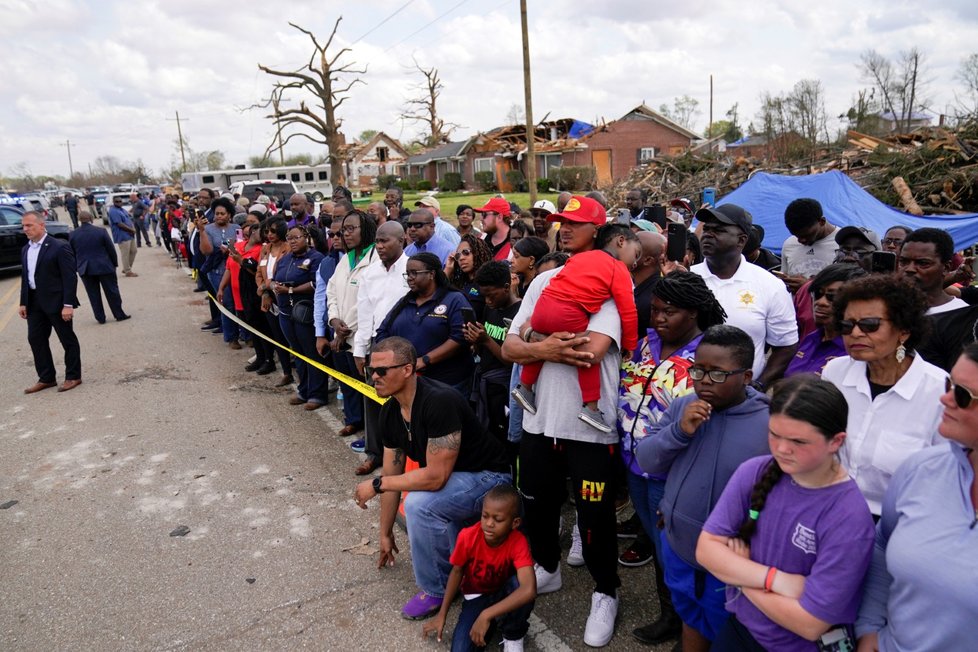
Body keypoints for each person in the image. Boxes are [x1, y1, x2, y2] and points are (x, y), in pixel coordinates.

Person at [500, 195, 624, 648]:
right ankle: (548, 569)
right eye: (559, 223)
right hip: (539, 421)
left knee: (594, 518)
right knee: (538, 506)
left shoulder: (610, 278)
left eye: (573, 223)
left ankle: (606, 590)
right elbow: (511, 347)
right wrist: (542, 345)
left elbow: (589, 350)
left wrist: (537, 339)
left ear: (598, 228)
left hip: (589, 428)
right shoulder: (545, 280)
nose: (563, 230)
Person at [697, 375, 875, 651]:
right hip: (741, 630)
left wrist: (741, 577)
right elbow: (706, 549)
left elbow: (810, 624)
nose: (781, 448)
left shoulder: (848, 517)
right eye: (774, 434)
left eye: (798, 441)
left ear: (836, 441)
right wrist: (776, 580)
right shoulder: (755, 471)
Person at [352, 337, 511, 621]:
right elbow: (393, 475)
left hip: (490, 479)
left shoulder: (440, 401)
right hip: (458, 481)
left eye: (382, 370)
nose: (374, 377)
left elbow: (435, 478)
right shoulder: (390, 412)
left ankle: (435, 589)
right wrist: (385, 534)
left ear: (408, 370)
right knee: (418, 500)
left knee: (419, 505)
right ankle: (455, 568)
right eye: (371, 371)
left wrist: (376, 485)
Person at [635, 325, 771, 651]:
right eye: (698, 370)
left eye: (718, 374)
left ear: (747, 376)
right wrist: (679, 432)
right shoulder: (683, 407)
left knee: (725, 628)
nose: (705, 381)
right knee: (689, 615)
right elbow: (648, 460)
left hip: (730, 561)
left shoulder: (769, 422)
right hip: (680, 545)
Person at [618, 272, 727, 647]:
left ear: (694, 313)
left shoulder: (709, 355)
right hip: (634, 464)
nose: (659, 318)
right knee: (657, 543)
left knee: (678, 552)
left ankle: (691, 626)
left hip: (676, 471)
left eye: (670, 312)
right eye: (657, 310)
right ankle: (670, 615)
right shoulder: (644, 345)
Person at [855, 344, 978, 652]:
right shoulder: (922, 468)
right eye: (949, 384)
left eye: (962, 395)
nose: (944, 398)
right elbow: (883, 543)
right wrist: (869, 628)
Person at [821, 274, 945, 517]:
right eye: (846, 326)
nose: (855, 333)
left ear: (904, 330)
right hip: (829, 510)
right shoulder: (835, 373)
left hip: (899, 522)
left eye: (870, 325)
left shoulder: (940, 391)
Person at [512, 221, 641, 432]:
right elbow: (628, 311)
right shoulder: (619, 269)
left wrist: (530, 329)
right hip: (568, 312)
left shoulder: (579, 259)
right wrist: (630, 343)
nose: (635, 263)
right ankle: (591, 407)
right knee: (584, 353)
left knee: (547, 344)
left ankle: (525, 387)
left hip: (543, 308)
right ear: (621, 241)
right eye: (635, 255)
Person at [691, 204, 798, 390]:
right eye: (706, 229)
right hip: (683, 393)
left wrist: (759, 385)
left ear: (741, 240)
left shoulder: (769, 285)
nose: (708, 234)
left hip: (741, 399)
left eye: (718, 230)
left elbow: (786, 346)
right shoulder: (687, 279)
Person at [421, 484, 536, 652]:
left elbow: (529, 590)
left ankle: (513, 634)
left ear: (515, 523)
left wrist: (486, 615)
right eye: (485, 516)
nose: (489, 523)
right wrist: (442, 614)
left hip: (505, 590)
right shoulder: (467, 537)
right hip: (477, 597)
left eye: (498, 519)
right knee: (460, 649)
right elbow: (457, 571)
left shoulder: (518, 541)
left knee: (519, 584)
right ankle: (495, 620)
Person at [353, 221, 410, 475]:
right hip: (378, 345)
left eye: (385, 240)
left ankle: (410, 457)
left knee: (408, 403)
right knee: (375, 402)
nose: (380, 246)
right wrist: (360, 349)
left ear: (402, 240)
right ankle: (375, 453)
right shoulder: (370, 273)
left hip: (408, 345)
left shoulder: (412, 269)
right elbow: (365, 314)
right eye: (377, 241)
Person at [375, 253, 474, 394]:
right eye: (407, 274)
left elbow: (460, 338)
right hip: (409, 382)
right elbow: (382, 332)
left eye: (414, 273)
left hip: (446, 384)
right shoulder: (405, 302)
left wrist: (425, 360)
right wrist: (398, 359)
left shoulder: (454, 299)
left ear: (431, 274)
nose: (409, 278)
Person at [325, 210, 378, 439]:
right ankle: (354, 420)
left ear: (365, 229)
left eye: (350, 229)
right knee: (348, 383)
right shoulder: (345, 259)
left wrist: (343, 331)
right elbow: (332, 292)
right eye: (343, 230)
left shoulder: (375, 259)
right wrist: (334, 320)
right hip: (341, 332)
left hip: (360, 337)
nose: (345, 234)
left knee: (367, 386)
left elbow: (366, 303)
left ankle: (371, 432)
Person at [19, 212, 82, 394]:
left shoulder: (59, 247)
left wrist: (68, 304)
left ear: (41, 225)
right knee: (36, 339)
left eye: (29, 225)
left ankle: (73, 376)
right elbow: (26, 278)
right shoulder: (26, 249)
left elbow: (70, 277)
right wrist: (23, 302)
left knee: (67, 339)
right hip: (34, 302)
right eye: (23, 226)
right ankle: (46, 378)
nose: (25, 229)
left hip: (57, 302)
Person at [465, 261, 522, 451]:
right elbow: (483, 349)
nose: (488, 301)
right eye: (484, 296)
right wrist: (475, 340)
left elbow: (512, 361)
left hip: (505, 387)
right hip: (487, 383)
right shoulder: (491, 308)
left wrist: (486, 340)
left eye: (491, 295)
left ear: (506, 287)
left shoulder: (520, 314)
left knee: (505, 437)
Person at [272, 225, 328, 410]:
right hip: (286, 312)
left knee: (312, 354)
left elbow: (316, 284)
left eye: (296, 237)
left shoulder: (316, 258)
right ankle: (303, 390)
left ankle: (317, 394)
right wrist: (273, 286)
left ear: (307, 238)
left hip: (306, 313)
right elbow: (275, 277)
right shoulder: (285, 259)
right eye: (290, 238)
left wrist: (290, 289)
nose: (293, 241)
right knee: (298, 354)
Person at [784, 263, 866, 377]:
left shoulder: (856, 352)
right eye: (818, 294)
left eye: (832, 297)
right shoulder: (811, 339)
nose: (821, 302)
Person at [68, 210, 130, 324]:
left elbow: (71, 253)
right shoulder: (101, 231)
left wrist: (77, 266)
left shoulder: (73, 234)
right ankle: (119, 314)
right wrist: (114, 263)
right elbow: (110, 249)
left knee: (93, 294)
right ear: (91, 219)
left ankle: (100, 317)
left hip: (85, 268)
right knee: (112, 291)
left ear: (79, 220)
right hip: (104, 266)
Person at [255, 217, 295, 387]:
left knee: (292, 338)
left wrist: (267, 285)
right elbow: (259, 273)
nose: (269, 234)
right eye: (267, 231)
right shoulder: (265, 249)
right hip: (269, 300)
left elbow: (283, 276)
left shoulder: (288, 249)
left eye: (273, 231)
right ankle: (287, 372)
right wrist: (264, 291)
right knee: (277, 337)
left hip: (286, 299)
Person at [200, 197, 243, 349]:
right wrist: (201, 231)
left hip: (236, 271)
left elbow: (241, 247)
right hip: (218, 272)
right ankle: (231, 337)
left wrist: (231, 249)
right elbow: (207, 251)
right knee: (227, 304)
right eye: (216, 213)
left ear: (229, 215)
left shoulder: (237, 227)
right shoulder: (208, 229)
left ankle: (246, 334)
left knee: (240, 303)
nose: (219, 216)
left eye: (222, 213)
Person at [898, 227, 968, 315]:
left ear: (946, 268)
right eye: (903, 261)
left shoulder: (963, 316)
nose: (909, 269)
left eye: (922, 263)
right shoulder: (884, 309)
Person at [778, 198, 839, 288]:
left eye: (806, 235)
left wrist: (809, 286)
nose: (801, 241)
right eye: (796, 236)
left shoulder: (844, 243)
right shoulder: (789, 244)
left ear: (822, 221)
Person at [445, 234, 494, 321]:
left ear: (478, 252)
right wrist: (448, 269)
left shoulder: (488, 283)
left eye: (466, 252)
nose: (461, 258)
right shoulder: (458, 283)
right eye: (458, 256)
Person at [631, 231, 666, 341]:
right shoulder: (629, 284)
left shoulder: (655, 297)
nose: (623, 249)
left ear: (647, 260)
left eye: (632, 246)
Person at [108, 194, 138, 277]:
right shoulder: (113, 211)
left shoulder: (122, 209)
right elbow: (119, 224)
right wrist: (131, 230)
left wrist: (132, 228)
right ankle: (128, 271)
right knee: (125, 253)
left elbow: (128, 218)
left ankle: (126, 268)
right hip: (122, 235)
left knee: (133, 251)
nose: (119, 203)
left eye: (120, 201)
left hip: (129, 234)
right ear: (113, 202)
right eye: (116, 201)